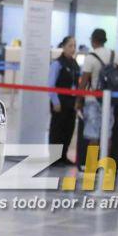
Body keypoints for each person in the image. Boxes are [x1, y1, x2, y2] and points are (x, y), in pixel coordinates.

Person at [76, 28, 118, 168]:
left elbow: (84, 82)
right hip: (109, 100)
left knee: (93, 135)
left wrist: (78, 101)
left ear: (93, 40)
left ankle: (91, 166)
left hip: (93, 100)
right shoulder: (114, 54)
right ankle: (105, 165)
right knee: (107, 134)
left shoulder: (90, 57)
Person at [48, 36, 80, 164]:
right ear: (64, 47)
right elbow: (51, 85)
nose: (72, 49)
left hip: (71, 103)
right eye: (70, 46)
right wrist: (55, 102)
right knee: (57, 130)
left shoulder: (74, 64)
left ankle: (63, 156)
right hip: (60, 103)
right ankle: (54, 158)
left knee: (69, 129)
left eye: (74, 46)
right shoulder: (57, 63)